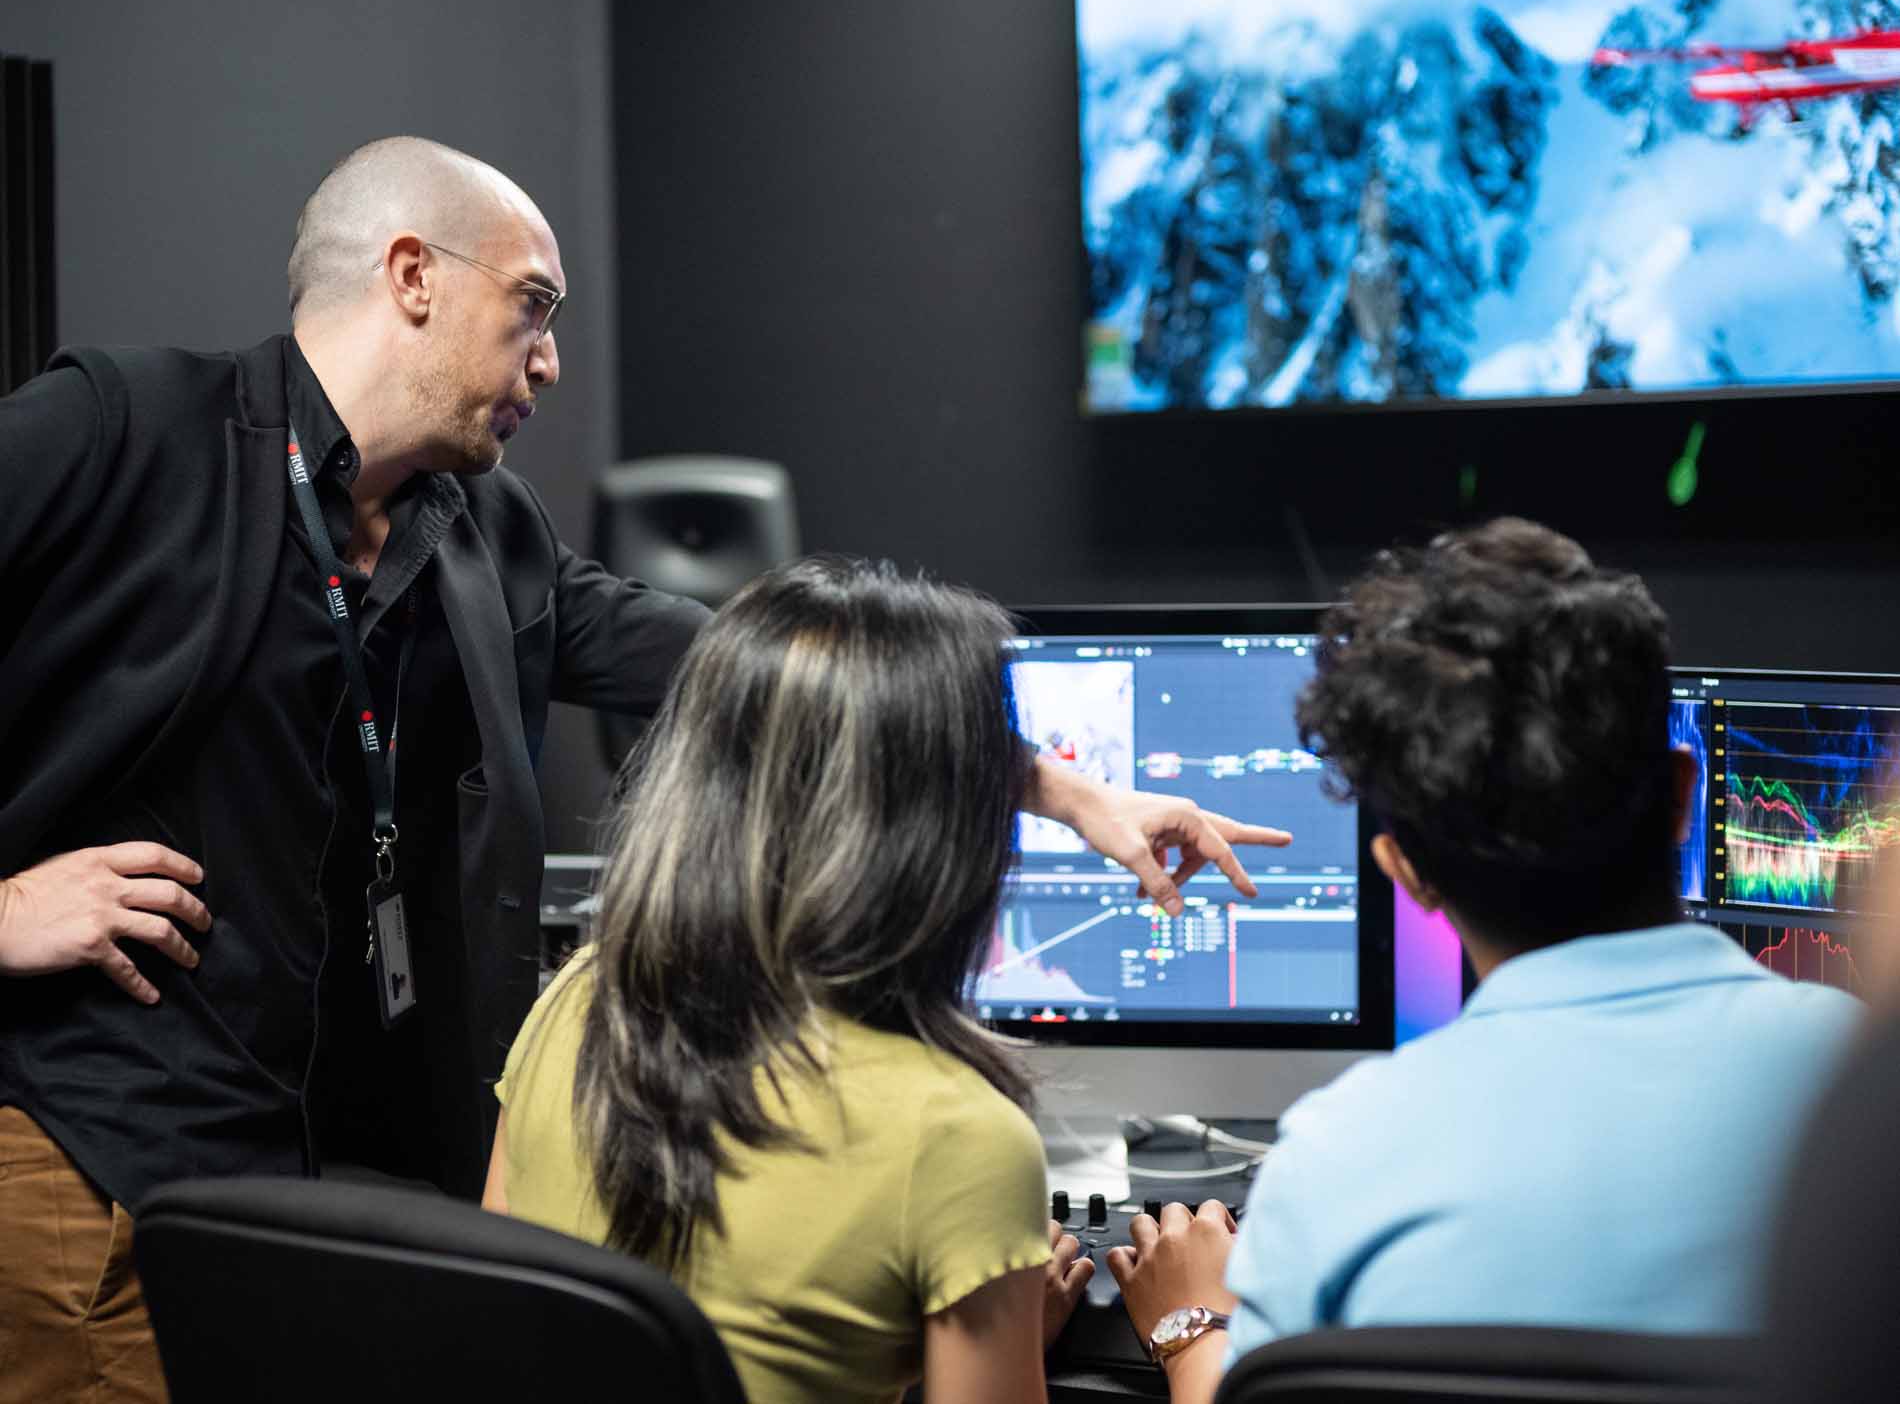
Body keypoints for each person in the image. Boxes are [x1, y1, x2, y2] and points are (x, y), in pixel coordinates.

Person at [0, 136, 1284, 1403]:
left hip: (320, 1170)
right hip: (90, 1160)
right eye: (533, 310)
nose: (551, 363)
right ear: (411, 275)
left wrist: (1067, 793)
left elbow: (768, 670)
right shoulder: (121, 430)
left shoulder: (482, 529)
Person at [1108, 518, 1865, 1402]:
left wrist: (1191, 1331)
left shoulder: (1335, 1161)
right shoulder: (1869, 1095)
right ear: (1683, 796)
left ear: (1408, 877)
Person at [492, 556, 1252, 1404]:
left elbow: (505, 1323)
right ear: (948, 837)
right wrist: (1194, 1334)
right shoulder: (957, 1138)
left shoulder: (579, 1001)